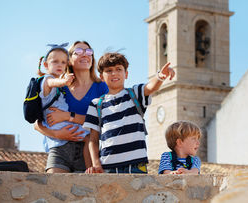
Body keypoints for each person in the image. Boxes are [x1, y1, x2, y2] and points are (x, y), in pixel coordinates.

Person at [84, 52, 175, 174]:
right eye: (109, 70)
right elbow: (93, 140)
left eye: (118, 69)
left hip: (137, 165)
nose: (114, 73)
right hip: (108, 167)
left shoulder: (135, 94)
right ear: (101, 76)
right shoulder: (96, 104)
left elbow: (151, 87)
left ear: (126, 74)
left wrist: (160, 76)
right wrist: (96, 164)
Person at [34, 41, 109, 173]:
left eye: (89, 52)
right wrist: (56, 133)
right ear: (69, 60)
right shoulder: (59, 86)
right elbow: (36, 123)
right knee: (53, 189)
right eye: (79, 52)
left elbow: (103, 121)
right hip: (59, 149)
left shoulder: (101, 87)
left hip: (89, 152)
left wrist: (67, 116)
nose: (85, 55)